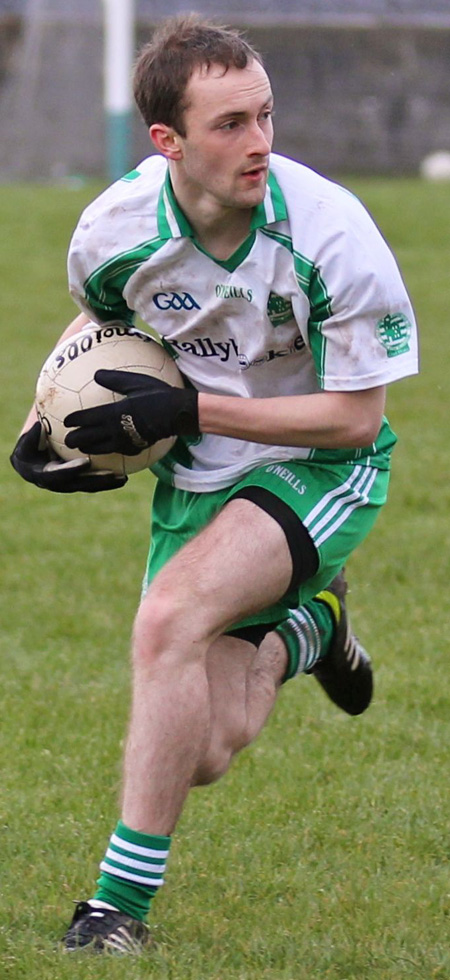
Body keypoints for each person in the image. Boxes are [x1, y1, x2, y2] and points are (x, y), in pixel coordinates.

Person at [10, 14, 418, 955]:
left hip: (323, 466)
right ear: (169, 143)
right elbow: (98, 319)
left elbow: (357, 419)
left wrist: (192, 412)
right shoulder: (114, 230)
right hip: (201, 479)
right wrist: (44, 420)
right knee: (204, 749)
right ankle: (311, 629)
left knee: (166, 624)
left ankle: (118, 910)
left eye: (266, 115)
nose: (260, 142)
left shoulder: (330, 233)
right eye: (230, 124)